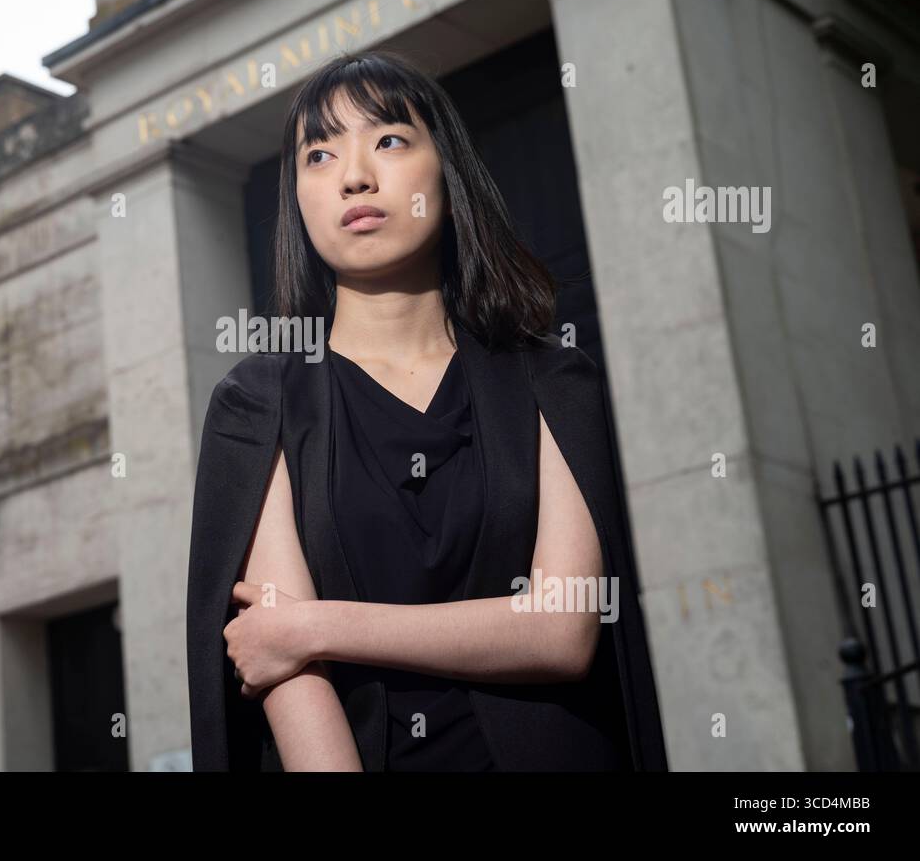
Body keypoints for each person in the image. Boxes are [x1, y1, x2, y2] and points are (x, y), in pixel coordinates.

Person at [185, 49, 668, 771]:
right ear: (299, 200)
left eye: (387, 140)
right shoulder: (259, 404)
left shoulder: (552, 379)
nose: (353, 175)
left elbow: (563, 631)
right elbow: (283, 669)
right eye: (318, 155)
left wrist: (316, 625)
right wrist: (295, 639)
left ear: (447, 170)